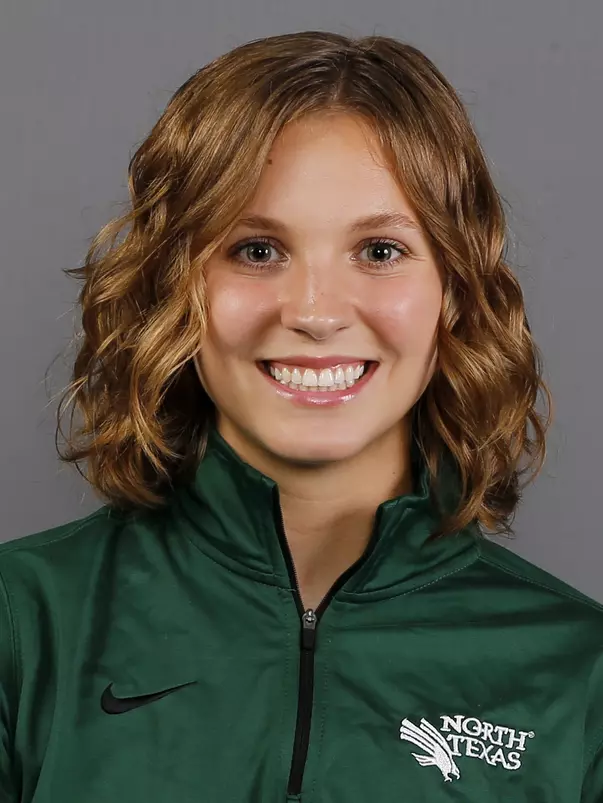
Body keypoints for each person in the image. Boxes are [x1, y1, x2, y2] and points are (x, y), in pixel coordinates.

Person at [0, 29, 601, 803]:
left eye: (379, 250)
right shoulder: (24, 623)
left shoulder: (578, 673)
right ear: (174, 283)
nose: (315, 313)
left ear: (454, 287)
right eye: (256, 250)